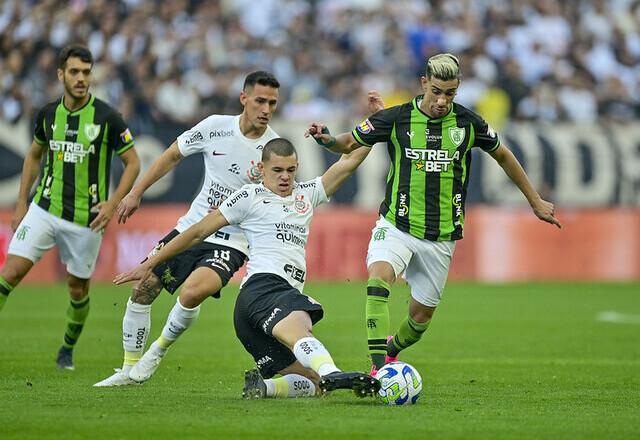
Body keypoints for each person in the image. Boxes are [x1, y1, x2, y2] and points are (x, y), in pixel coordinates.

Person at [305, 53, 562, 375]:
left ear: (458, 89)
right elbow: (345, 143)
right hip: (396, 224)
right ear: (424, 83)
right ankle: (378, 370)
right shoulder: (396, 118)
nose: (442, 100)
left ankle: (391, 348)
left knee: (420, 319)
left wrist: (535, 200)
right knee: (378, 279)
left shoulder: (469, 123)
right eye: (437, 91)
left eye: (450, 93)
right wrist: (326, 137)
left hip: (441, 236)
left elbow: (505, 156)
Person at [113, 138, 380, 399]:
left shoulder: (307, 193)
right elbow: (197, 232)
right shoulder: (249, 196)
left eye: (290, 170)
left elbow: (349, 161)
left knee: (314, 382)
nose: (285, 177)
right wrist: (150, 262)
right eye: (277, 170)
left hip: (252, 316)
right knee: (300, 326)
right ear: (262, 169)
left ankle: (266, 388)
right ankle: (332, 370)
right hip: (264, 289)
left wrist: (376, 124)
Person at [94, 71, 282, 387]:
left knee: (194, 290)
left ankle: (157, 351)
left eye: (273, 103)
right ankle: (127, 370)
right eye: (260, 100)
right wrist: (136, 192)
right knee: (143, 289)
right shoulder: (214, 127)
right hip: (190, 229)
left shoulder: (273, 149)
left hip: (233, 241)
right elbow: (170, 156)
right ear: (244, 98)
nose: (266, 109)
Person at [0, 44, 140, 370]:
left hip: (86, 219)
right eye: (75, 72)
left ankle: (67, 349)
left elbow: (133, 162)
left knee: (77, 289)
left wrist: (113, 203)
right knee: (10, 273)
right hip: (44, 208)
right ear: (60, 74)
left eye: (87, 72)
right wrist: (21, 204)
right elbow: (34, 155)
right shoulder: (48, 114)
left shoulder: (107, 117)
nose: (81, 78)